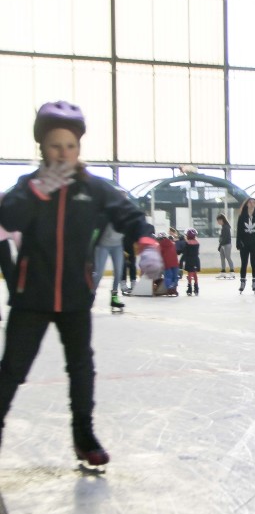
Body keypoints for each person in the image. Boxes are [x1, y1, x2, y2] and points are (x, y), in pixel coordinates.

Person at [0, 101, 163, 470]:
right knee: (12, 369)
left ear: (79, 148)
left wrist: (147, 244)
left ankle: (83, 435)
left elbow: (131, 216)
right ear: (42, 148)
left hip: (75, 295)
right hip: (32, 296)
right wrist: (40, 188)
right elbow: (8, 216)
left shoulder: (94, 188)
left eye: (70, 146)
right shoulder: (27, 187)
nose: (64, 153)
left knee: (81, 368)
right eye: (56, 146)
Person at [92, 220, 126, 312]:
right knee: (99, 273)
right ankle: (91, 294)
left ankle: (114, 297)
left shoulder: (127, 218)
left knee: (119, 272)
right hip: (103, 245)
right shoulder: (108, 214)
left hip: (118, 245)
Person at [235, 198, 255, 294]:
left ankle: (254, 282)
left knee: (254, 263)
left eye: (253, 203)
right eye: (250, 202)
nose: (252, 204)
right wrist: (238, 242)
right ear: (247, 204)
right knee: (244, 263)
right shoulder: (242, 217)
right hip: (244, 244)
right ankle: (242, 282)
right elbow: (239, 231)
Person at [181, 228, 201, 296]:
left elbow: (185, 253)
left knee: (190, 274)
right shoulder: (197, 243)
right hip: (196, 259)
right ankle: (196, 287)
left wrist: (181, 261)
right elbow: (197, 252)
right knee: (195, 274)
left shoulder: (187, 243)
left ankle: (189, 287)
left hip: (189, 260)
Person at [215, 213, 235, 279]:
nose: (218, 222)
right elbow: (222, 237)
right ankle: (223, 272)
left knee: (228, 257)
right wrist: (220, 245)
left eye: (218, 220)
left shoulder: (226, 227)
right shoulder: (223, 227)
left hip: (227, 245)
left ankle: (232, 272)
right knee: (222, 258)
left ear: (221, 220)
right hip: (223, 245)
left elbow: (226, 237)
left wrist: (221, 245)